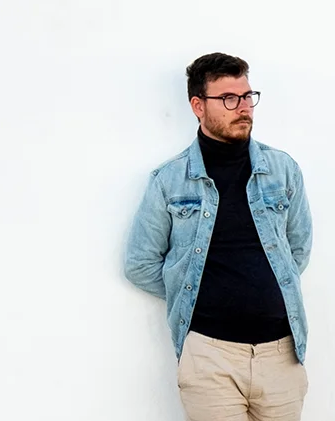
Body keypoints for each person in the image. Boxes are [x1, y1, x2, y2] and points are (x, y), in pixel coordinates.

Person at [124, 53, 313, 420]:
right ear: (198, 105)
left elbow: (298, 249)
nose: (243, 108)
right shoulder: (169, 180)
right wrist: (193, 287)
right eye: (229, 98)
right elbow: (140, 264)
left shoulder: (283, 170)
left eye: (247, 96)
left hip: (282, 355)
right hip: (210, 356)